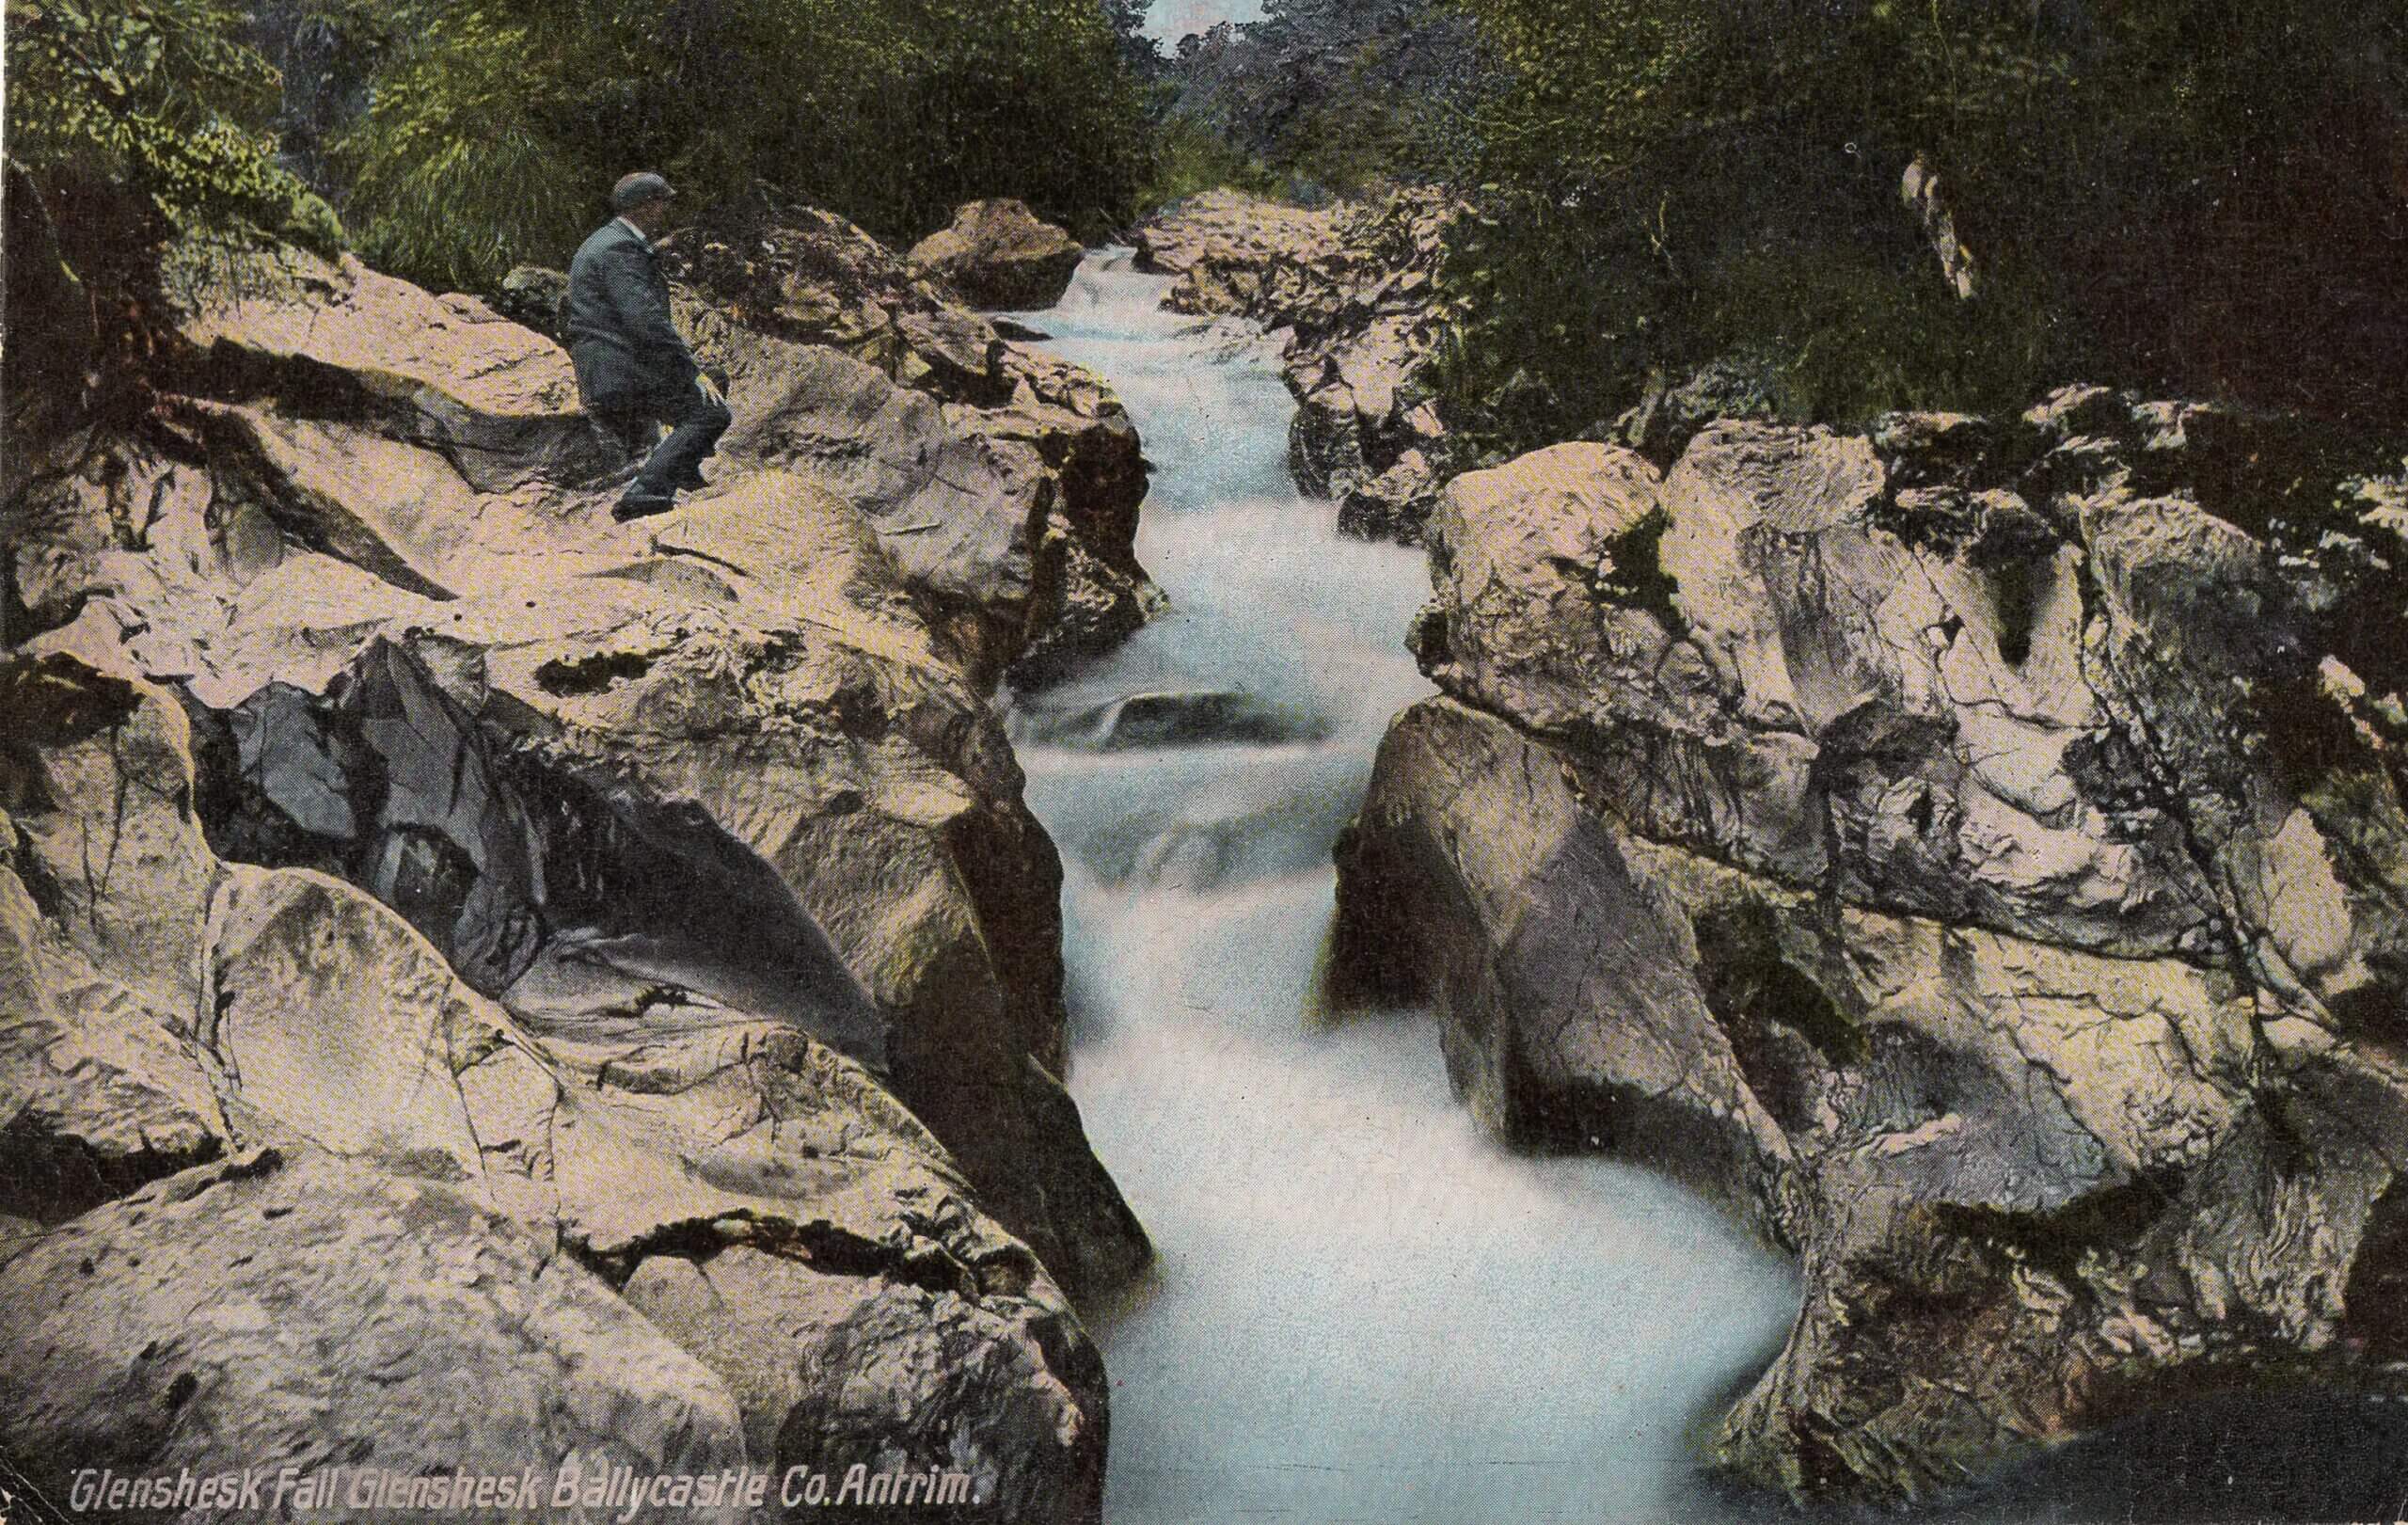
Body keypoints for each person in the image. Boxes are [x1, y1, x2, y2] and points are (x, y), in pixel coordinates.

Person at [566, 171, 732, 521]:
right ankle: (646, 492)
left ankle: (681, 467)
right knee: (712, 410)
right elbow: (645, 321)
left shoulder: (605, 240)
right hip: (619, 371)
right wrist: (690, 371)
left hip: (613, 364)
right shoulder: (619, 248)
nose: (666, 210)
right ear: (646, 206)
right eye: (662, 202)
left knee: (714, 381)